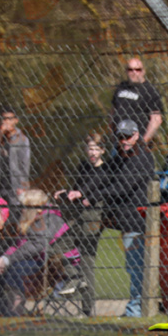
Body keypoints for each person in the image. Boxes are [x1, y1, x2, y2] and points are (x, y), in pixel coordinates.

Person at [0, 189, 78, 316]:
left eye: (23, 206)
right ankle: (1, 309)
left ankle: (15, 312)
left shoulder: (49, 218)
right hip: (42, 260)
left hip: (62, 265)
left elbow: (36, 246)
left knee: (16, 270)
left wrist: (8, 261)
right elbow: (19, 244)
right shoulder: (32, 218)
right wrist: (3, 259)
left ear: (33, 206)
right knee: (3, 269)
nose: (21, 209)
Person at [54, 132, 114, 316]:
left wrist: (81, 194)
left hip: (92, 220)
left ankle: (87, 311)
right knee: (55, 251)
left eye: (96, 148)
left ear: (103, 150)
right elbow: (78, 187)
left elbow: (92, 187)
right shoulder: (84, 166)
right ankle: (75, 277)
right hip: (79, 217)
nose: (92, 152)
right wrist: (67, 192)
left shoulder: (105, 170)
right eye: (90, 148)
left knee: (87, 262)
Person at [106, 119, 155, 317]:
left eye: (127, 136)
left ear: (136, 135)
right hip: (127, 221)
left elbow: (121, 186)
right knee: (132, 266)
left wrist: (92, 196)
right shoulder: (122, 156)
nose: (124, 140)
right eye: (120, 137)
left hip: (138, 221)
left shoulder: (142, 157)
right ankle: (137, 307)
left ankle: (136, 309)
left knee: (136, 267)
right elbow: (107, 176)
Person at [0, 108, 31, 217]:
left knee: (15, 213)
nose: (4, 122)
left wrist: (23, 184)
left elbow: (25, 163)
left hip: (15, 184)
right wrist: (0, 133)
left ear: (15, 120)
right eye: (3, 119)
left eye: (8, 119)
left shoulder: (22, 139)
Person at [110, 58, 163, 144]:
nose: (134, 72)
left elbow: (156, 119)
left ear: (143, 71)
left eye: (138, 70)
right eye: (130, 70)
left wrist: (144, 140)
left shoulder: (150, 91)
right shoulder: (121, 87)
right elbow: (112, 112)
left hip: (137, 143)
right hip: (118, 141)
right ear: (126, 71)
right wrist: (112, 135)